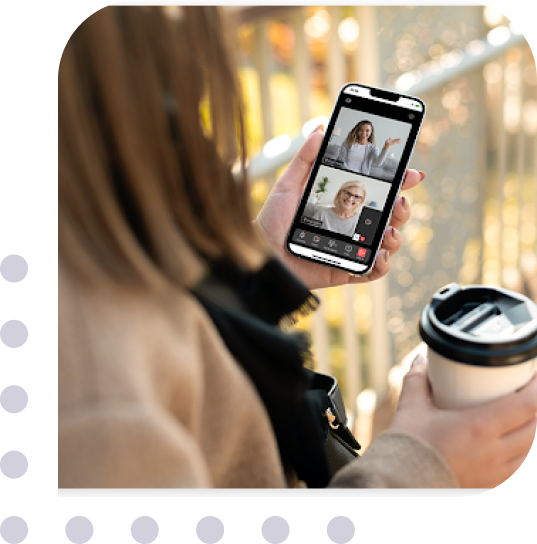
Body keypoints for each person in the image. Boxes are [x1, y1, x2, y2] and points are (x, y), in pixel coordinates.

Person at [58, 6, 537, 489]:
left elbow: (171, 330)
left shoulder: (98, 226)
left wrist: (264, 262)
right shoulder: (96, 400)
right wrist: (425, 465)